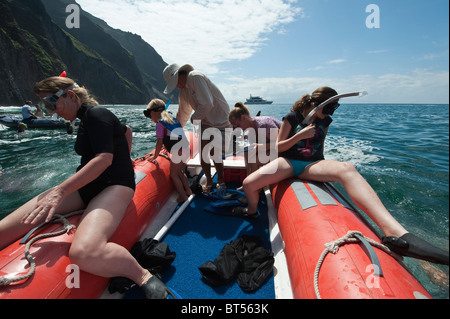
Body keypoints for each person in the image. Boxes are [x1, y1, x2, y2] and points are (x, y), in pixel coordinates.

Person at [0, 76, 172, 298]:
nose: (51, 111)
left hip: (114, 185)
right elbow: (126, 129)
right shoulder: (88, 118)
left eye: (51, 104)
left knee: (84, 253)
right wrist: (127, 155)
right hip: (89, 185)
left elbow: (103, 159)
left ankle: (141, 275)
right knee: (6, 228)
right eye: (44, 106)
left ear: (70, 96)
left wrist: (60, 191)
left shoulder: (97, 114)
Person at [239, 86, 448, 265]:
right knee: (249, 184)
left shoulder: (326, 120)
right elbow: (279, 147)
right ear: (318, 105)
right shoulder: (293, 117)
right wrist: (300, 136)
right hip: (287, 162)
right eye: (331, 107)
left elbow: (320, 147)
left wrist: (325, 167)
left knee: (346, 168)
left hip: (311, 164)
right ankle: (251, 212)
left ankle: (395, 232)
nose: (332, 112)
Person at [163, 64, 232, 195]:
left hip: (221, 121)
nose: (176, 87)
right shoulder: (184, 93)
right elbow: (182, 115)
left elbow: (207, 103)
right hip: (205, 122)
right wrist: (173, 133)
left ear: (180, 76)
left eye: (175, 83)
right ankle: (210, 182)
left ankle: (221, 180)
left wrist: (195, 118)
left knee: (214, 151)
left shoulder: (195, 77)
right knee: (203, 152)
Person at [144, 99, 192, 202]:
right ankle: (188, 190)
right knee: (180, 172)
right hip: (185, 148)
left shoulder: (160, 124)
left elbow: (159, 142)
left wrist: (155, 156)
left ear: (153, 113)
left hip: (178, 150)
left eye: (149, 115)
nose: (150, 118)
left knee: (173, 174)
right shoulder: (172, 119)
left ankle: (183, 196)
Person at [229, 102, 281, 176]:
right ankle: (249, 179)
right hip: (272, 148)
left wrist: (260, 147)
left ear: (243, 118)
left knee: (255, 161)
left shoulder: (264, 125)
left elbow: (282, 144)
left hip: (288, 149)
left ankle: (256, 184)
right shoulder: (248, 130)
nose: (237, 129)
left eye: (238, 125)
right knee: (248, 152)